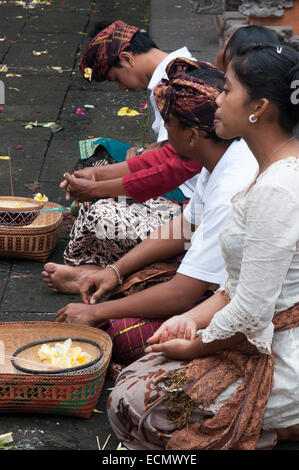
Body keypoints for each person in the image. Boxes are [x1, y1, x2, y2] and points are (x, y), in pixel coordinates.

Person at [107, 42, 299, 450]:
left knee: (133, 402)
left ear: (259, 107)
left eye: (227, 90)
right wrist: (190, 321)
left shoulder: (279, 189)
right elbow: (235, 287)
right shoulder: (270, 170)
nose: (217, 101)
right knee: (136, 375)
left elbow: (250, 312)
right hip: (253, 326)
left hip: (283, 355)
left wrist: (193, 343)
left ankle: (274, 428)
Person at [44, 59, 258, 368]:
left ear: (193, 135)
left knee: (115, 335)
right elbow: (184, 228)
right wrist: (113, 271)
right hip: (214, 285)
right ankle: (96, 277)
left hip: (236, 303)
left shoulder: (231, 186)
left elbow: (183, 295)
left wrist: (96, 313)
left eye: (169, 125)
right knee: (135, 283)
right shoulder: (221, 159)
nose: (165, 138)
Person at [57, 20, 203, 266]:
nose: (122, 87)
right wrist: (98, 177)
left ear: (126, 58)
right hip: (185, 193)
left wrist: (98, 187)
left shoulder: (178, 88)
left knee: (98, 217)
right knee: (96, 160)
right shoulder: (176, 78)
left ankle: (98, 269)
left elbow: (169, 165)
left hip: (194, 217)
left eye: (117, 79)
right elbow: (168, 156)